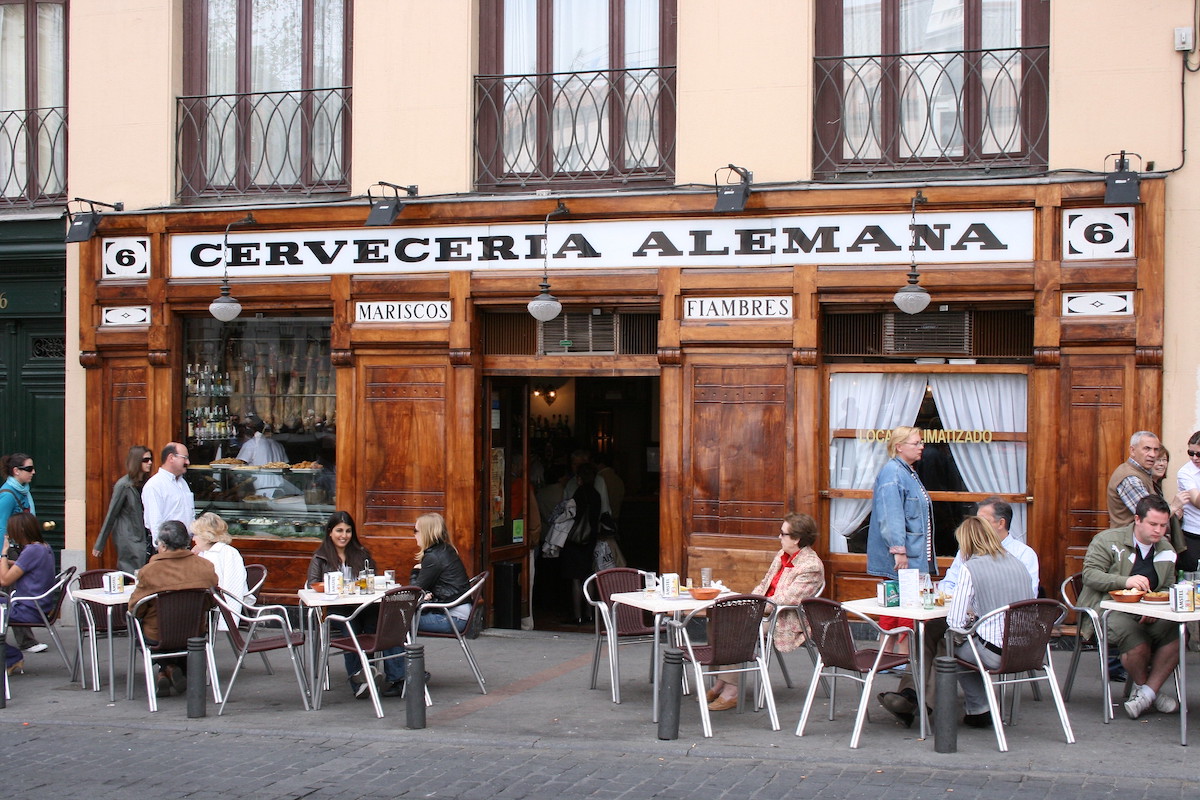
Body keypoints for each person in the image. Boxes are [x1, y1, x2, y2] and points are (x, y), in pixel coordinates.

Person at [707, 512, 824, 711]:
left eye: (783, 534)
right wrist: (745, 602)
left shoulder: (811, 566)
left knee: (736, 627)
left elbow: (786, 600)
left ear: (796, 539)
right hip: (763, 610)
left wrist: (751, 607)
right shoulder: (782, 555)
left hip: (785, 618)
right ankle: (722, 679)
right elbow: (764, 585)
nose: (779, 537)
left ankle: (731, 690)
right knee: (716, 618)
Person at [1077, 494, 1180, 719]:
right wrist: (1125, 581)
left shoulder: (1166, 548)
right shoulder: (1108, 540)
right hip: (1108, 608)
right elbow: (1090, 575)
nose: (1159, 531)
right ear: (1137, 520)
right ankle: (1150, 692)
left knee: (1178, 633)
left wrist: (1156, 608)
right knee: (1136, 640)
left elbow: (1169, 586)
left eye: (1163, 525)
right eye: (1153, 524)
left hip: (1148, 610)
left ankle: (1146, 693)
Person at [867, 426, 939, 727]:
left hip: (913, 560)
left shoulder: (907, 472)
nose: (922, 446)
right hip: (904, 561)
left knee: (911, 615)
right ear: (899, 446)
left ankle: (910, 682)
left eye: (921, 442)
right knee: (906, 614)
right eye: (916, 442)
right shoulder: (893, 474)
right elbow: (891, 514)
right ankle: (902, 671)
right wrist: (898, 550)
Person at [945, 516, 1037, 728]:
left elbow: (955, 622)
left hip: (996, 652)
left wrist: (970, 615)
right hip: (1029, 650)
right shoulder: (1017, 562)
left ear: (966, 542)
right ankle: (981, 707)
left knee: (950, 648)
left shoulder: (971, 568)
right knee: (970, 646)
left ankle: (978, 709)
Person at [305, 511, 403, 698]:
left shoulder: (361, 554)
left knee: (379, 624)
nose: (344, 535)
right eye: (339, 530)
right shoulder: (320, 557)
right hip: (337, 607)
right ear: (330, 532)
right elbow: (313, 583)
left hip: (363, 606)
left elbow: (372, 579)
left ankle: (378, 675)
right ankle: (359, 680)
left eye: (348, 531)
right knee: (351, 629)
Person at [379, 512, 470, 696]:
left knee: (391, 624)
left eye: (415, 530)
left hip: (451, 617)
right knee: (393, 620)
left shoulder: (433, 558)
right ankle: (400, 674)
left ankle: (402, 677)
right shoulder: (445, 550)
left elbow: (415, 592)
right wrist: (428, 594)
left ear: (426, 533)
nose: (414, 534)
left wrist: (415, 572)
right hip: (457, 611)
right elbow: (433, 589)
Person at [129, 520, 219, 697]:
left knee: (134, 623)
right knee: (181, 631)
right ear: (187, 542)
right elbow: (212, 601)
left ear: (162, 546)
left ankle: (167, 668)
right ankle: (169, 669)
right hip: (195, 633)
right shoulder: (205, 567)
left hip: (159, 636)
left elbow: (135, 609)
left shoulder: (150, 571)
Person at [941, 498, 1039, 597]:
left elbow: (1030, 594)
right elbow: (947, 584)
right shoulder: (967, 549)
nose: (977, 526)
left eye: (983, 521)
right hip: (963, 609)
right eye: (977, 521)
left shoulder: (1024, 554)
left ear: (1001, 523)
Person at [0, 512, 56, 674]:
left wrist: (4, 553)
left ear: (20, 531)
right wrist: (8, 562)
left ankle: (11, 657)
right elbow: (23, 565)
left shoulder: (31, 551)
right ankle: (10, 658)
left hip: (27, 610)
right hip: (37, 607)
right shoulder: (43, 547)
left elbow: (4, 581)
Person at [0, 454, 42, 653]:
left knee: (16, 594)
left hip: (20, 549)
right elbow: (1, 527)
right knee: (14, 594)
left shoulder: (24, 491)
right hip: (12, 552)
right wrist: (4, 555)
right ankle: (26, 641)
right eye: (29, 468)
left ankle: (24, 640)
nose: (33, 472)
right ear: (16, 471)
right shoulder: (8, 495)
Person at [92, 445, 153, 573]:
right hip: (130, 537)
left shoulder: (148, 484)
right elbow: (111, 513)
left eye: (150, 459)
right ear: (136, 461)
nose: (150, 463)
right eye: (145, 460)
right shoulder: (124, 485)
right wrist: (99, 544)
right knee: (133, 573)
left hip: (145, 535)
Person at [561, 462, 602, 625]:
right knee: (588, 575)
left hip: (576, 540)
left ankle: (577, 615)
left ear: (579, 479)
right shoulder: (596, 495)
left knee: (575, 578)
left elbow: (571, 517)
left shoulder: (579, 494)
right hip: (590, 538)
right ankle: (590, 614)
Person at [191, 512, 248, 628]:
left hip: (216, 602)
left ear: (206, 537)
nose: (193, 538)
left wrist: (226, 625)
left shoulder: (228, 553)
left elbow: (232, 588)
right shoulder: (201, 552)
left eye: (196, 535)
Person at [142, 442, 195, 548]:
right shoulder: (154, 485)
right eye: (184, 458)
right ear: (171, 457)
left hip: (185, 546)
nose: (188, 462)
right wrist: (163, 551)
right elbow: (155, 522)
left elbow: (190, 514)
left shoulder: (183, 483)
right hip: (168, 549)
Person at [1106, 431, 1161, 528]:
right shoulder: (1130, 479)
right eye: (1147, 449)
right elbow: (1151, 516)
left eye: (1156, 450)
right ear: (1132, 450)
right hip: (1128, 540)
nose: (1152, 454)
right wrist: (1174, 507)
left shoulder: (1144, 472)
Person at [1175, 432, 1200, 572]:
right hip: (1194, 534)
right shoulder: (1185, 472)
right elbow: (1197, 501)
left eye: (1199, 454)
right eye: (1191, 453)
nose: (1194, 458)